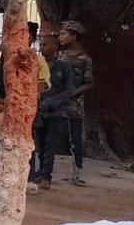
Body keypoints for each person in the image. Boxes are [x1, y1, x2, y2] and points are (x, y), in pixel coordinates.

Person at [32, 35, 76, 189]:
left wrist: (51, 102)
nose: (42, 48)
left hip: (56, 112)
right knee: (40, 144)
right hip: (38, 110)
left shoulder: (63, 67)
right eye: (41, 44)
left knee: (50, 145)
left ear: (54, 48)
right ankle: (41, 171)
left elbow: (68, 90)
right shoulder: (36, 65)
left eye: (45, 45)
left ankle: (46, 176)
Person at [56, 21, 93, 187]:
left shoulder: (84, 58)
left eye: (64, 34)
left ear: (74, 35)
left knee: (75, 138)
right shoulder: (59, 56)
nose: (60, 37)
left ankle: (76, 172)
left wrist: (71, 93)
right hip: (55, 102)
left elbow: (89, 82)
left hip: (74, 104)